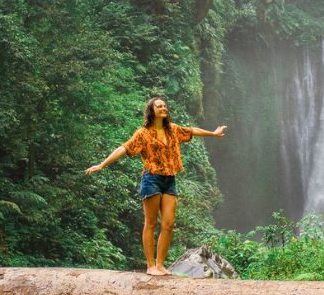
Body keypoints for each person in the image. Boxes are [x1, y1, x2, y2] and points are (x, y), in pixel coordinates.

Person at [85, 97, 227, 276]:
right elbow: (124, 148)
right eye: (159, 106)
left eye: (165, 105)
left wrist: (213, 134)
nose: (164, 108)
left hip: (169, 179)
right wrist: (102, 164)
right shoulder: (143, 133)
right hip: (151, 179)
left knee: (168, 224)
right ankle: (150, 266)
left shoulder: (172, 130)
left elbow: (192, 131)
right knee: (151, 223)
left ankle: (160, 265)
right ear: (151, 111)